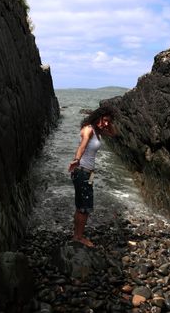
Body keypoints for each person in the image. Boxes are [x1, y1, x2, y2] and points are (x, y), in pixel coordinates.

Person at [68, 106, 118, 247]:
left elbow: (114, 134)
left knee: (81, 207)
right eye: (105, 120)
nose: (106, 123)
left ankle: (77, 235)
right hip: (82, 171)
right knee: (85, 207)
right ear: (98, 117)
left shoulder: (97, 130)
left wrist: (107, 123)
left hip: (86, 173)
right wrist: (76, 160)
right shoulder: (88, 130)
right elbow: (82, 146)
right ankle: (79, 237)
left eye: (109, 121)